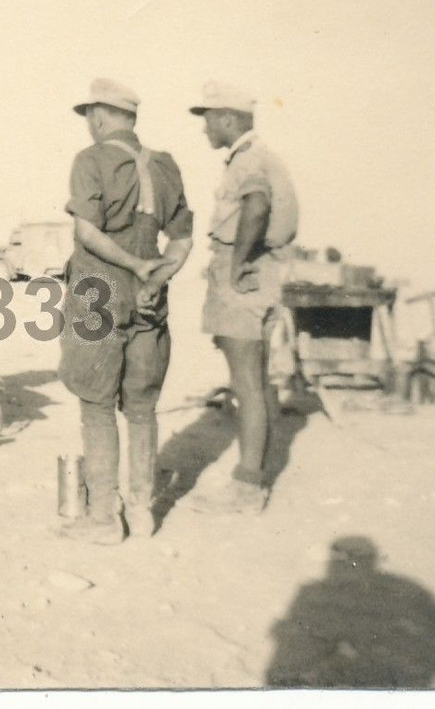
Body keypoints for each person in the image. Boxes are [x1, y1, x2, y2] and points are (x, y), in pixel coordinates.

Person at [58, 78, 195, 544]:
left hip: (100, 291)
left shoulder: (91, 161)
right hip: (149, 298)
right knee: (142, 408)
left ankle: (103, 518)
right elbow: (182, 238)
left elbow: (87, 232)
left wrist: (135, 265)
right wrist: (157, 273)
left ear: (98, 116)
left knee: (97, 406)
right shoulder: (165, 165)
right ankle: (141, 511)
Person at [188, 81, 299, 514]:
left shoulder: (248, 160)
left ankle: (248, 487)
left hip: (244, 286)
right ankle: (251, 477)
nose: (205, 129)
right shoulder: (259, 156)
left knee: (247, 383)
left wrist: (235, 265)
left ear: (228, 119)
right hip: (259, 280)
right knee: (254, 381)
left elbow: (255, 207)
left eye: (208, 119)